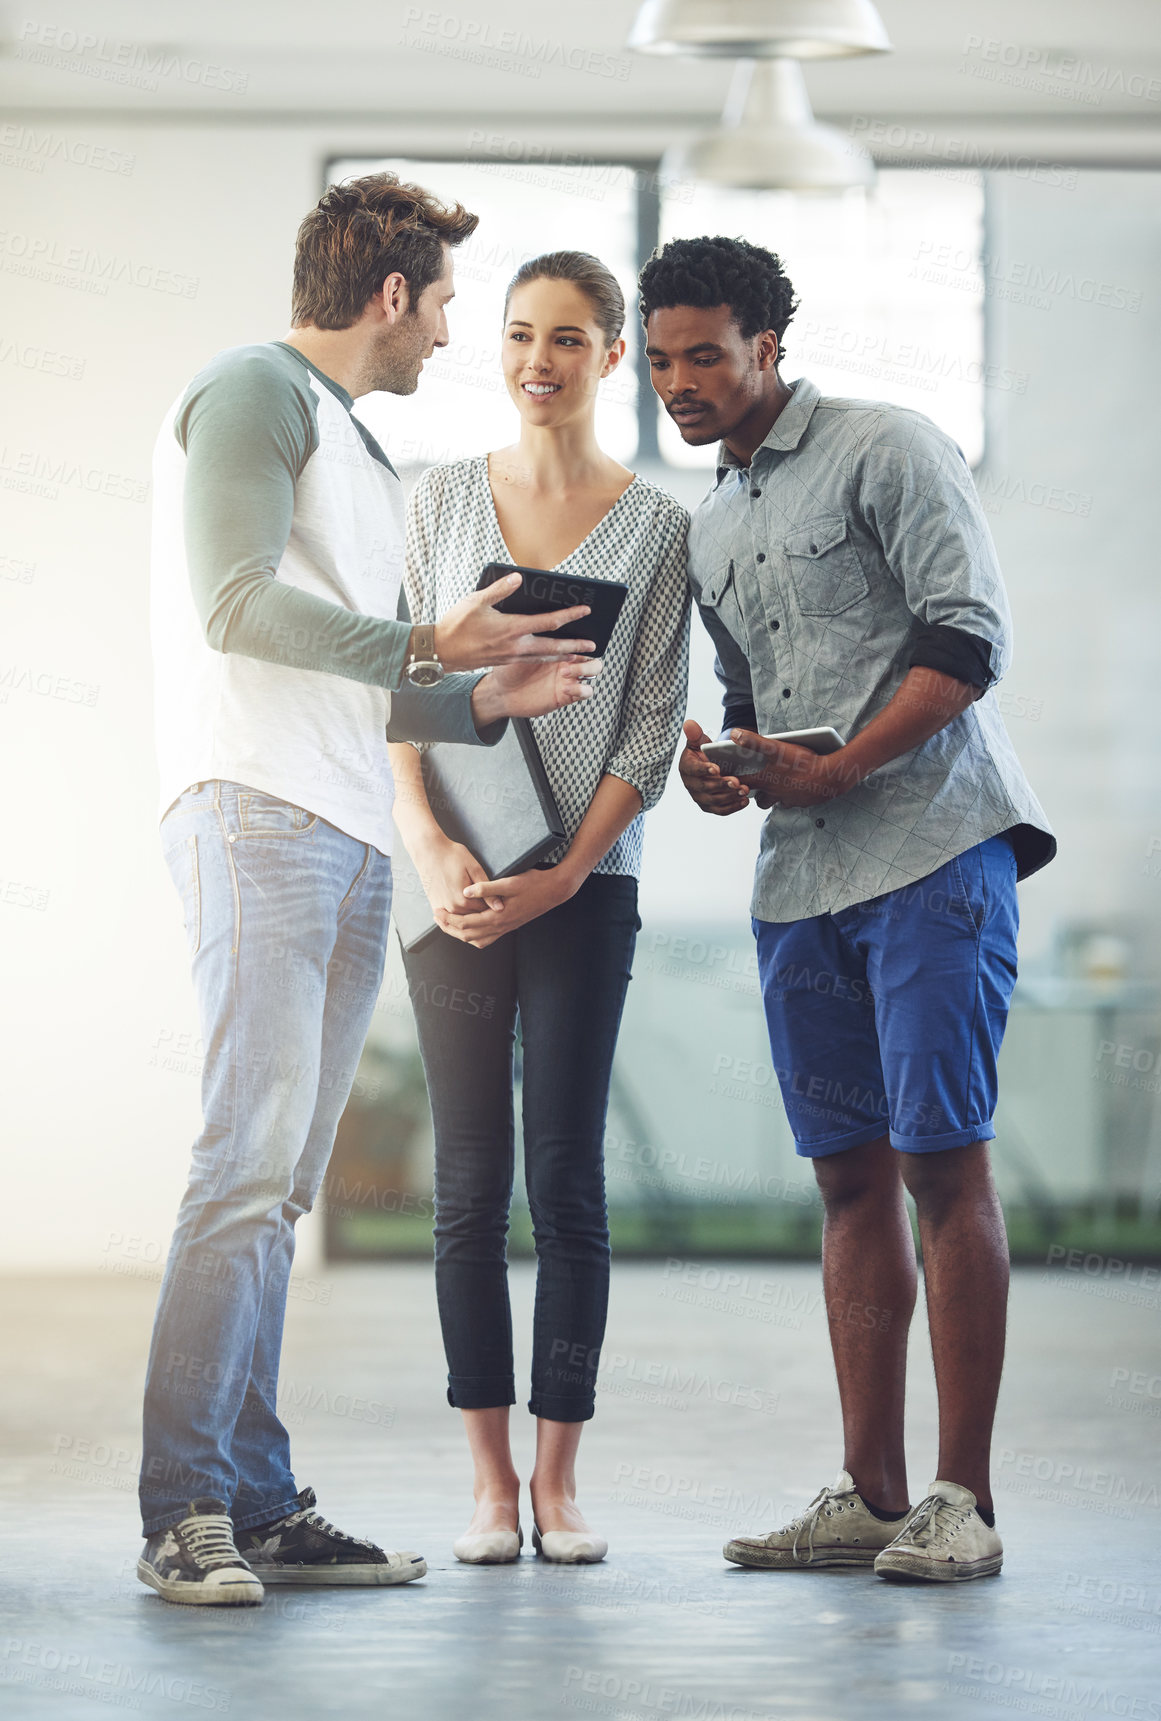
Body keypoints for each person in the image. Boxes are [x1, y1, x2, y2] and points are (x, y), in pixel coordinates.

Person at [140, 175, 603, 1607]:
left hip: (338, 826)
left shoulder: (350, 443)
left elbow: (359, 681)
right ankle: (182, 1509)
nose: (455, 330)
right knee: (240, 1169)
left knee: (278, 1188)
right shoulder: (251, 391)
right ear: (390, 293)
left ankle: (261, 1500)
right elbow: (234, 604)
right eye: (450, 301)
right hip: (255, 815)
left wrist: (479, 693)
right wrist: (428, 639)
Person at [640, 235, 1055, 1583]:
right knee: (844, 1176)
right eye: (657, 360)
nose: (678, 382)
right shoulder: (710, 524)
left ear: (766, 342)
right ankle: (870, 1493)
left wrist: (843, 766)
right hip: (803, 882)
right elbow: (755, 705)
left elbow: (963, 636)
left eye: (703, 351)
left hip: (933, 853)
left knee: (944, 1163)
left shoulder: (887, 446)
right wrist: (728, 770)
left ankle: (962, 1498)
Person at [390, 250, 690, 1567]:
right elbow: (394, 681)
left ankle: (559, 1481)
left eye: (568, 338)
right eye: (517, 334)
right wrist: (425, 843)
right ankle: (485, 1483)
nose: (536, 360)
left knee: (567, 1181)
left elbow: (648, 720)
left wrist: (568, 871)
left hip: (581, 884)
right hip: (453, 882)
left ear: (609, 356)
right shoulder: (437, 499)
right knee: (466, 1190)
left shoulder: (658, 527)